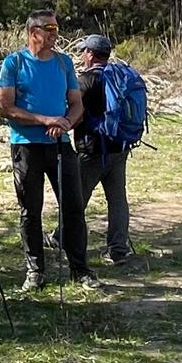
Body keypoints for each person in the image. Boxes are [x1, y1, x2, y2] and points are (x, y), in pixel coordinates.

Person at [0, 10, 99, 291]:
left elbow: (76, 104)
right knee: (31, 210)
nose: (55, 34)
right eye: (49, 29)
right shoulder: (14, 63)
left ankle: (80, 269)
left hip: (60, 145)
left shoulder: (64, 63)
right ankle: (35, 270)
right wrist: (45, 120)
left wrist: (65, 122)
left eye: (56, 28)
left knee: (74, 207)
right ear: (34, 32)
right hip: (26, 146)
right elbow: (6, 107)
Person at [69, 34, 135, 265]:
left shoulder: (87, 80)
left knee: (77, 198)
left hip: (93, 149)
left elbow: (76, 114)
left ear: (90, 54)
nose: (82, 55)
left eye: (83, 51)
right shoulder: (119, 74)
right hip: (120, 146)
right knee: (117, 200)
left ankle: (62, 237)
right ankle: (118, 249)